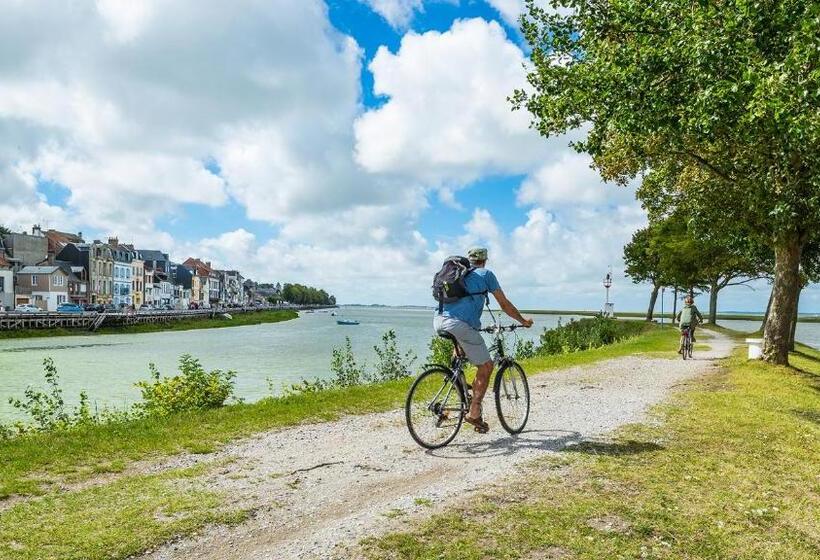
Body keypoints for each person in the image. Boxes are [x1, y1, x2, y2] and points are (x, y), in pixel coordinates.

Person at [433, 247, 533, 433]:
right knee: (486, 366)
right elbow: (505, 305)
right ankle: (474, 413)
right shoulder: (486, 274)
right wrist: (523, 321)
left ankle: (457, 387)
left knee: (462, 347)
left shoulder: (457, 274)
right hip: (459, 324)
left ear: (469, 260)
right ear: (485, 260)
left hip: (439, 321)